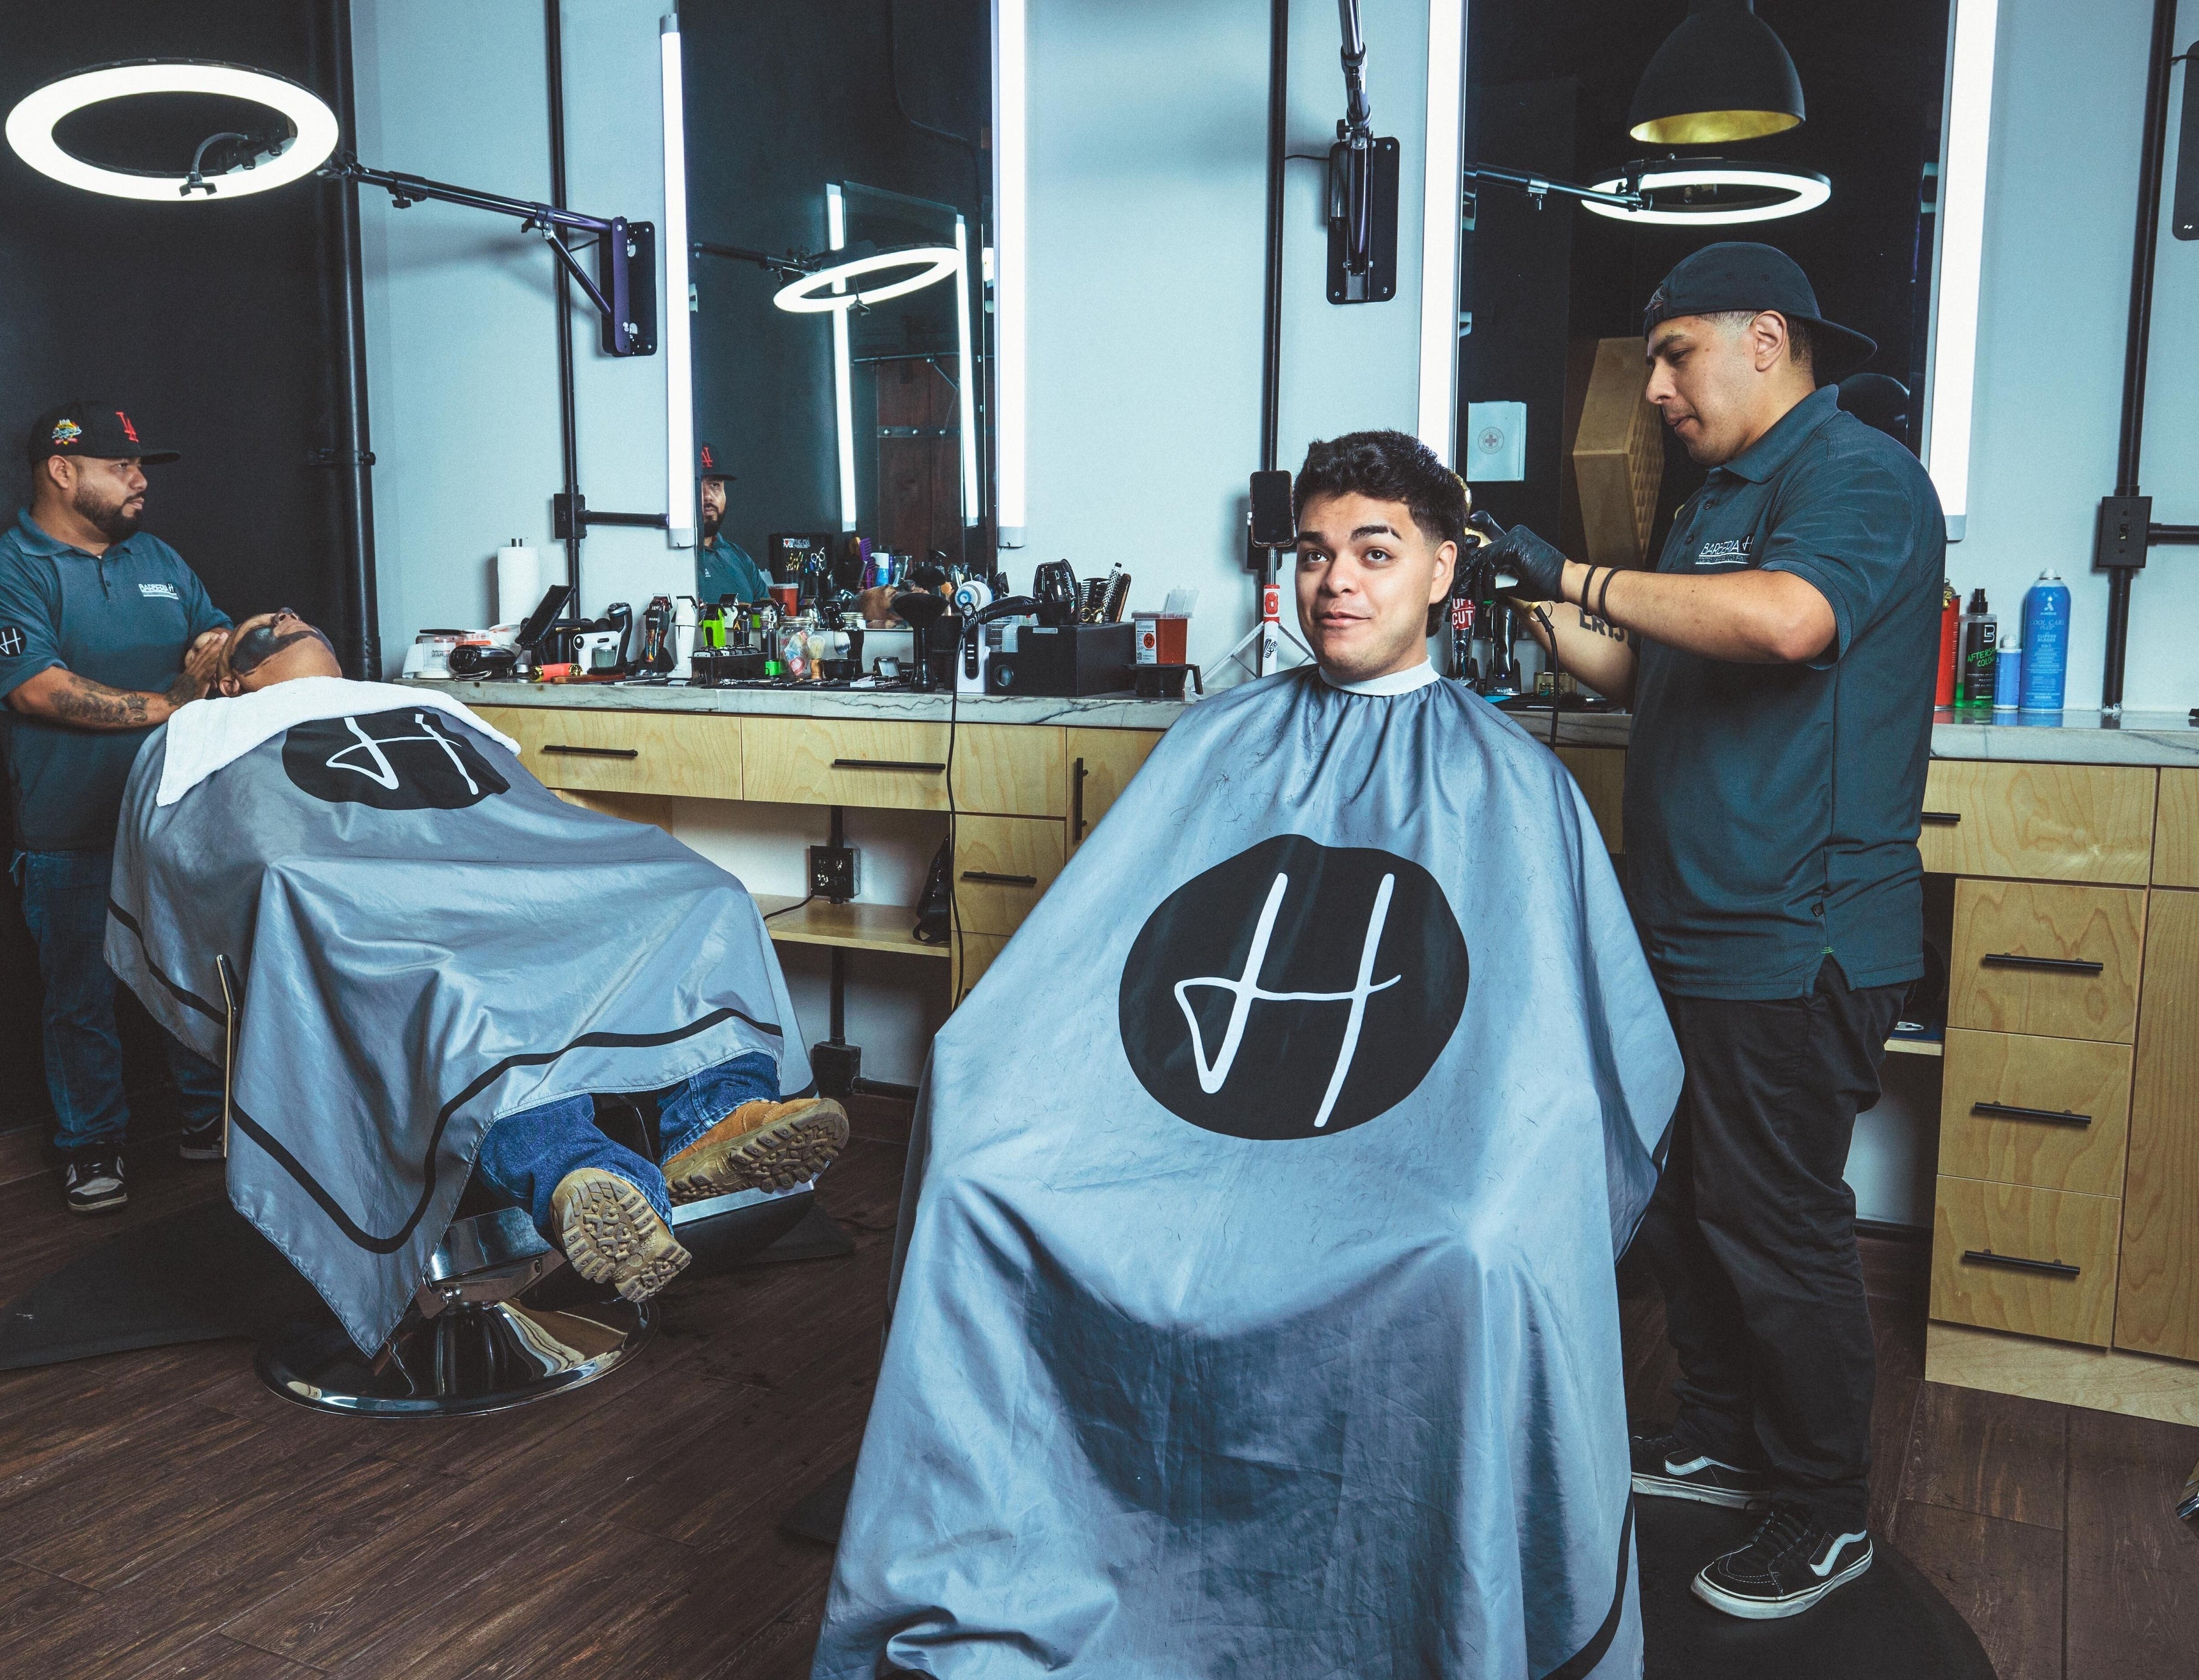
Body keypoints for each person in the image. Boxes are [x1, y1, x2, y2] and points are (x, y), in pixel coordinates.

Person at [816, 432, 1680, 1678]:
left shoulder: (1516, 784)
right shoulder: (1215, 743)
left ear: (1445, 572)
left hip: (1400, 1158)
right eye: (1315, 554)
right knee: (978, 1174)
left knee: (1477, 1248)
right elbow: (1075, 978)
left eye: (1376, 554)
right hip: (1176, 1138)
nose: (1337, 582)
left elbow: (1560, 1065)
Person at [1488, 242, 1945, 1620]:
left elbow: (1785, 622)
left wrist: (1574, 566)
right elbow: (1648, 668)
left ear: (1764, 337)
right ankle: (1714, 1431)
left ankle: (1819, 1508)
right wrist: (1527, 589)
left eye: (1675, 357)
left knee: (1774, 1219)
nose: (1658, 393)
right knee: (1687, 1202)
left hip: (1787, 931)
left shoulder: (1853, 475)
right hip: (1686, 923)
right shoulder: (1719, 498)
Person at [107, 608, 847, 1328]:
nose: (283, 611)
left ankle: (715, 1120)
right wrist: (318, 887)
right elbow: (212, 862)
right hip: (377, 901)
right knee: (455, 983)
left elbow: (523, 807)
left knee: (700, 893)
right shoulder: (204, 738)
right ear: (229, 682)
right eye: (256, 631)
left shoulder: (420, 706)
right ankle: (577, 1172)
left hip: (521, 872)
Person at [0, 399, 233, 1215]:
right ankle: (92, 1148)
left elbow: (215, 632)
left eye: (142, 466)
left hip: (175, 822)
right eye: (124, 467)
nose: (140, 481)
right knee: (80, 999)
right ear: (63, 470)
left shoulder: (158, 558)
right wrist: (169, 705)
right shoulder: (6, 573)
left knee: (190, 981)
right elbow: (39, 689)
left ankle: (202, 1121)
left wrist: (213, 647)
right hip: (67, 833)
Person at [694, 441, 771, 603]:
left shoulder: (738, 556)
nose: (707, 496)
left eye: (715, 485)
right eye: (697, 486)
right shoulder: (676, 561)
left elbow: (767, 618)